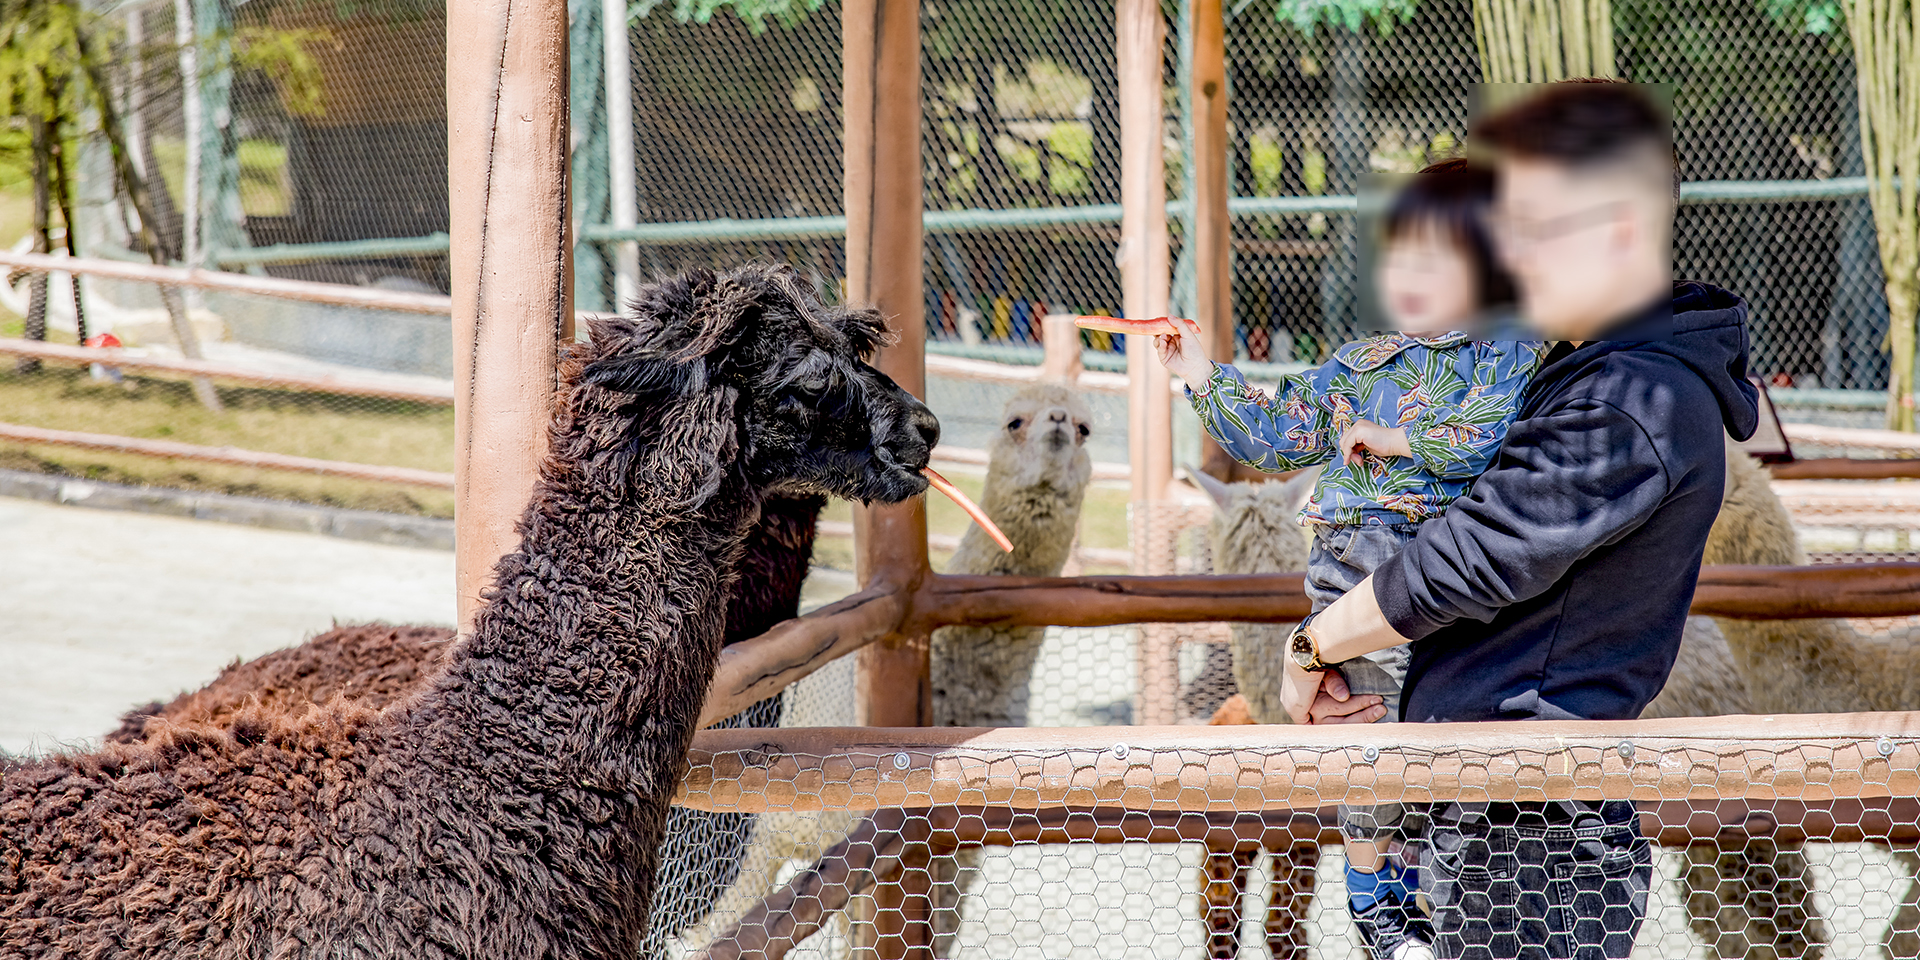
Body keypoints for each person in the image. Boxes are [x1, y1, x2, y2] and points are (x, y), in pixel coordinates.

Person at [1261, 81, 1759, 960]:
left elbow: (1475, 555)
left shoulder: (1633, 399)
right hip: (1491, 805)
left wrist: (1315, 647)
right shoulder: (1587, 374)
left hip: (1535, 830)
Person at [1157, 158, 1542, 960]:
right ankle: (1376, 903)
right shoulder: (1359, 365)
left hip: (1438, 574)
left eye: (1434, 259)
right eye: (1398, 254)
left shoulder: (1509, 356)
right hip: (1349, 573)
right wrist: (1200, 377)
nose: (1406, 274)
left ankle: (1424, 893)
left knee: (1429, 747)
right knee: (1366, 737)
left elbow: (1490, 441)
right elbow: (1278, 432)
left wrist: (1397, 439)